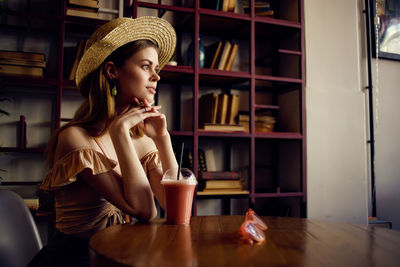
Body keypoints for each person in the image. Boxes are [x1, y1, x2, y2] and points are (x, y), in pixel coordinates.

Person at [28, 16, 177, 266]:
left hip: (118, 255)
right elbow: (145, 211)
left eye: (157, 69)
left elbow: (175, 209)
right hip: (73, 259)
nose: (156, 77)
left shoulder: (143, 140)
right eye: (145, 66)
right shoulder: (75, 139)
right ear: (112, 71)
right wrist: (119, 133)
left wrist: (163, 139)